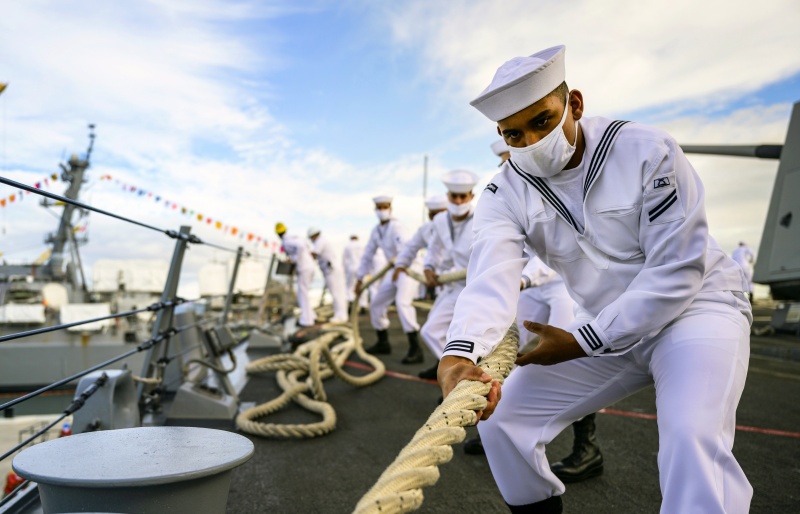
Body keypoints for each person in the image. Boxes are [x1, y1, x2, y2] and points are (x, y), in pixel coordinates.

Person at [438, 45, 752, 513]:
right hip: (603, 328)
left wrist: (585, 339)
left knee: (691, 438)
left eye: (541, 122)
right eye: (513, 134)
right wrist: (459, 353)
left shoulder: (646, 151)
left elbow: (677, 270)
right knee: (504, 421)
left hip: (697, 312)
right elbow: (489, 279)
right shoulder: (504, 192)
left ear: (575, 105)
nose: (529, 142)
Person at [469, 141, 604, 483]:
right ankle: (499, 428)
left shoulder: (562, 185)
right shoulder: (508, 194)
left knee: (569, 356)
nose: (509, 166)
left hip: (562, 286)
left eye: (511, 158)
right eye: (504, 161)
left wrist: (525, 278)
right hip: (529, 285)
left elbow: (564, 254)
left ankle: (588, 449)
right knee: (501, 340)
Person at [395, 173, 478, 380]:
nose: (458, 201)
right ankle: (453, 373)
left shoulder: (482, 217)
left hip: (477, 285)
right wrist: (429, 267)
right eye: (454, 197)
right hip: (453, 285)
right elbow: (434, 248)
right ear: (447, 196)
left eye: (463, 196)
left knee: (470, 335)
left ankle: (458, 375)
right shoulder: (441, 221)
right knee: (431, 331)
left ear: (471, 196)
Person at [355, 195, 423, 364]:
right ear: (375, 210)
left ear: (390, 208)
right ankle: (383, 342)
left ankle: (416, 348)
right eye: (379, 207)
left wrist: (400, 264)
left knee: (402, 302)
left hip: (408, 268)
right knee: (376, 303)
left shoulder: (397, 227)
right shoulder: (376, 231)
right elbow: (367, 254)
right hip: (393, 270)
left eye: (384, 207)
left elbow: (405, 249)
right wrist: (359, 278)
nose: (382, 210)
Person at [393, 195, 449, 302]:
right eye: (432, 214)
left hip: (461, 277)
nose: (436, 218)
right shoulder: (425, 229)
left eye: (439, 214)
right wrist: (400, 264)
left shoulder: (458, 226)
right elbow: (411, 247)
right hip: (439, 278)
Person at [275, 222, 317, 327]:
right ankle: (311, 316)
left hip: (304, 268)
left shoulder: (287, 241)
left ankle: (307, 320)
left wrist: (294, 259)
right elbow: (305, 246)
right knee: (304, 293)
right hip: (308, 266)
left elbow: (301, 247)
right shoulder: (294, 238)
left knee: (302, 294)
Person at [308, 227, 349, 323]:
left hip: (332, 271)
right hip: (332, 270)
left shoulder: (320, 241)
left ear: (313, 236)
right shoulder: (322, 240)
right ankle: (341, 315)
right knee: (338, 293)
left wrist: (301, 256)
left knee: (336, 293)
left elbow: (314, 254)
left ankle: (340, 316)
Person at [343, 235, 368, 312]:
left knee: (349, 286)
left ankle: (351, 301)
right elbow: (366, 257)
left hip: (351, 268)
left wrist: (344, 271)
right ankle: (363, 305)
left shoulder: (347, 246)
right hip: (361, 268)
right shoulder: (362, 246)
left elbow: (344, 260)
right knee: (363, 286)